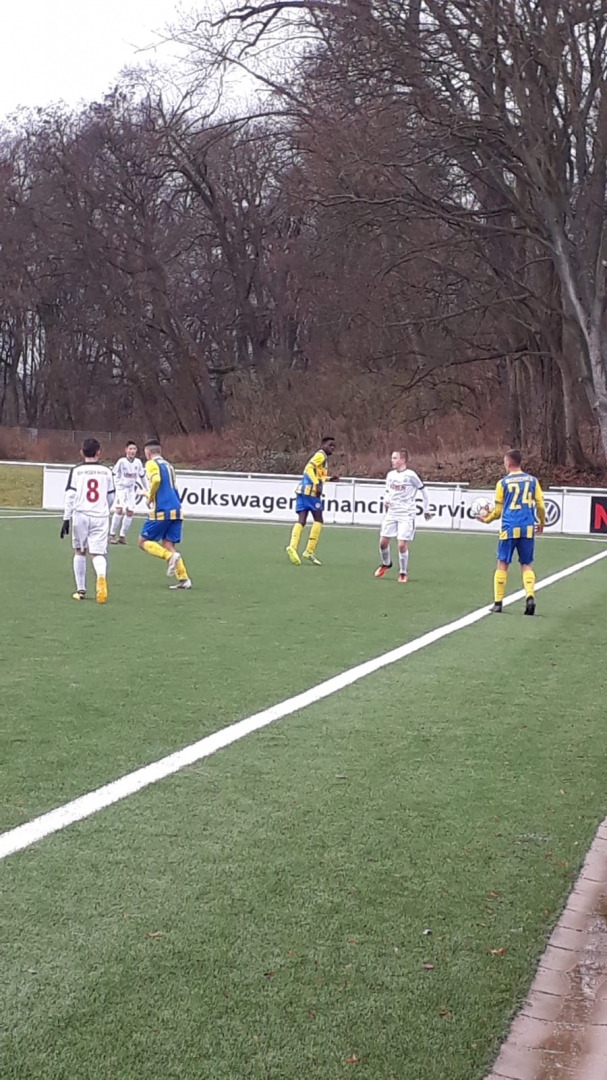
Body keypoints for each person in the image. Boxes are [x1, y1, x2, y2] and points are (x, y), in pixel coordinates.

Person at [480, 449, 545, 615]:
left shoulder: (502, 483)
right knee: (526, 564)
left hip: (509, 528)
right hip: (527, 528)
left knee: (502, 563)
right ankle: (529, 597)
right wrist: (541, 522)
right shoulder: (533, 481)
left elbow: (497, 512)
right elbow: (540, 505)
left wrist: (487, 519)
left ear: (508, 464)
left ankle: (498, 603)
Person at [60, 437, 115, 604]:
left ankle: (81, 590)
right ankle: (101, 576)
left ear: (81, 453)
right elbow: (111, 496)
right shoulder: (107, 471)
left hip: (81, 515)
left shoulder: (76, 471)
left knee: (80, 550)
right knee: (97, 553)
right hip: (100, 516)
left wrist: (66, 518)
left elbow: (70, 495)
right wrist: (104, 508)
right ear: (99, 453)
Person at [138, 439, 191, 589]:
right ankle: (184, 579)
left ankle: (170, 557)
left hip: (162, 509)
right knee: (168, 544)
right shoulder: (169, 465)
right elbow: (170, 488)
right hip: (176, 509)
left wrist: (149, 497)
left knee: (142, 541)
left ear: (148, 453)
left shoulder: (151, 464)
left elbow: (156, 480)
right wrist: (146, 493)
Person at [374, 449, 432, 583]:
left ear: (403, 460)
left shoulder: (410, 475)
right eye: (392, 458)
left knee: (401, 545)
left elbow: (424, 491)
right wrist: (386, 500)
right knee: (383, 543)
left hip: (406, 514)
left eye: (395, 458)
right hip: (392, 512)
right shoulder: (390, 475)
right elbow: (388, 491)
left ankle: (403, 573)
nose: (392, 461)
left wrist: (426, 508)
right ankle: (386, 563)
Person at [286, 436, 337, 566]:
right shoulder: (321, 455)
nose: (332, 448)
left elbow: (316, 474)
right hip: (311, 493)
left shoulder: (321, 458)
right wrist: (316, 484)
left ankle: (292, 546)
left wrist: (328, 479)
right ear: (323, 445)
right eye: (330, 445)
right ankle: (309, 551)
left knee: (301, 520)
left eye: (333, 447)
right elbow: (308, 468)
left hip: (302, 491)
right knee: (318, 519)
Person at [109, 440, 147, 545]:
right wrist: (113, 486)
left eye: (134, 449)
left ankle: (122, 536)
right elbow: (113, 473)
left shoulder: (138, 462)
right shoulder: (121, 461)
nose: (132, 451)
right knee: (119, 510)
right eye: (130, 449)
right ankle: (112, 535)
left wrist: (147, 489)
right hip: (121, 488)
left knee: (130, 512)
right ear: (126, 450)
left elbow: (142, 476)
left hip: (131, 490)